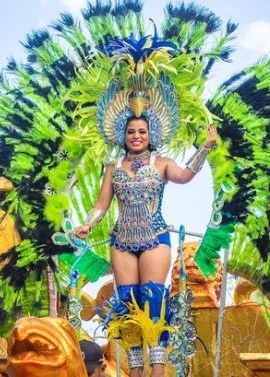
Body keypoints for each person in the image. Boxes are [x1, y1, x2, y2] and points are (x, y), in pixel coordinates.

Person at [72, 48, 218, 375]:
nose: (136, 136)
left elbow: (185, 176)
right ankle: (135, 372)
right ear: (122, 136)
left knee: (152, 304)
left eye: (142, 132)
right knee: (128, 306)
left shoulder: (162, 163)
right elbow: (102, 204)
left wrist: (205, 148)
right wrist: (88, 224)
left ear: (151, 135)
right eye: (131, 132)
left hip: (155, 238)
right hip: (121, 242)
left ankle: (158, 371)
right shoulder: (113, 168)